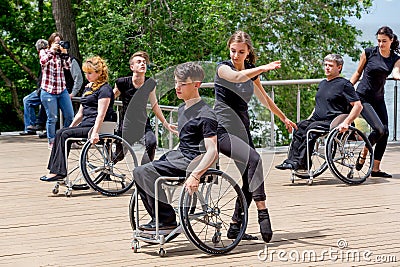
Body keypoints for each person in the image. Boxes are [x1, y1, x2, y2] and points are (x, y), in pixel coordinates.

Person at [214, 30, 297, 243]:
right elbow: (236, 77)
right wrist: (263, 68)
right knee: (255, 160)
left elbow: (264, 98)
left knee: (250, 178)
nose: (236, 55)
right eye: (233, 51)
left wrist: (284, 118)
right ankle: (263, 211)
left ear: (248, 51)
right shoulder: (223, 68)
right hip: (223, 129)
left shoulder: (251, 70)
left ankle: (235, 227)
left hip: (242, 127)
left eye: (241, 52)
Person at [133, 62, 218, 230]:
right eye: (175, 82)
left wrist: (195, 175)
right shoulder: (181, 108)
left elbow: (213, 150)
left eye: (182, 83)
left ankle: (166, 219)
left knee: (144, 171)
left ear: (196, 85)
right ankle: (159, 217)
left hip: (194, 161)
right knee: (140, 171)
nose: (177, 87)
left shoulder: (206, 114)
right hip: (180, 155)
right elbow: (187, 139)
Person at [275, 54, 363, 171]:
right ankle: (294, 161)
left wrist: (347, 122)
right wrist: (308, 119)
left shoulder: (344, 85)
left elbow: (358, 106)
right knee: (299, 127)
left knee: (311, 129)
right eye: (325, 65)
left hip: (333, 121)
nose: (327, 67)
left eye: (330, 65)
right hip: (317, 119)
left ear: (339, 67)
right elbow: (319, 105)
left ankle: (300, 163)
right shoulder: (322, 83)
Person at [40, 56, 116, 182]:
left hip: (96, 126)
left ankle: (58, 172)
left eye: (90, 73)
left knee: (62, 134)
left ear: (99, 73)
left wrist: (95, 132)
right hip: (85, 123)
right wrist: (71, 127)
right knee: (62, 132)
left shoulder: (105, 89)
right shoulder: (88, 87)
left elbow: (101, 114)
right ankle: (55, 170)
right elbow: (80, 113)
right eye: (86, 72)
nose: (87, 75)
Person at [350, 26, 400, 178]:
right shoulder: (368, 52)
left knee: (385, 132)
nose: (381, 44)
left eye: (384, 41)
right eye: (379, 41)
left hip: (379, 99)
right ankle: (364, 153)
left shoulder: (395, 58)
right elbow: (358, 73)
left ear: (391, 41)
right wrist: (345, 89)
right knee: (379, 129)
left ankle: (375, 169)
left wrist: (398, 76)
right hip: (363, 97)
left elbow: (396, 73)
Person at [114, 51, 177, 164]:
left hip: (143, 125)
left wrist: (166, 123)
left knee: (151, 142)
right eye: (139, 62)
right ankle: (105, 171)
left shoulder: (150, 83)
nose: (143, 64)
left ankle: (143, 172)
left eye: (144, 62)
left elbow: (155, 105)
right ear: (132, 67)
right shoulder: (122, 83)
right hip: (126, 127)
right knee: (119, 156)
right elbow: (108, 99)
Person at [39, 32, 75, 149]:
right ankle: (52, 141)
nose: (57, 44)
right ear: (50, 42)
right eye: (55, 42)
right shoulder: (44, 51)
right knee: (52, 118)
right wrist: (52, 51)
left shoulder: (60, 54)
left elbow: (68, 67)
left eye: (59, 42)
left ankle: (64, 137)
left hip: (61, 89)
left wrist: (65, 54)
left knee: (70, 115)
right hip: (48, 90)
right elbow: (43, 61)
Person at [20, 39, 48, 136]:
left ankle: (36, 126)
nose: (41, 51)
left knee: (29, 100)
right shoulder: (42, 59)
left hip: (48, 89)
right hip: (41, 88)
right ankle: (30, 127)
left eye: (43, 49)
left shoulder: (48, 58)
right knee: (27, 100)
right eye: (40, 49)